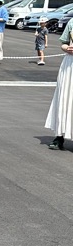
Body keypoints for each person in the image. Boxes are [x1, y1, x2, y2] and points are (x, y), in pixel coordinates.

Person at [45, 18, 73, 149]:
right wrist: (67, 48)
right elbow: (63, 42)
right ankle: (59, 136)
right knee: (65, 98)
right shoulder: (72, 22)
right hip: (69, 65)